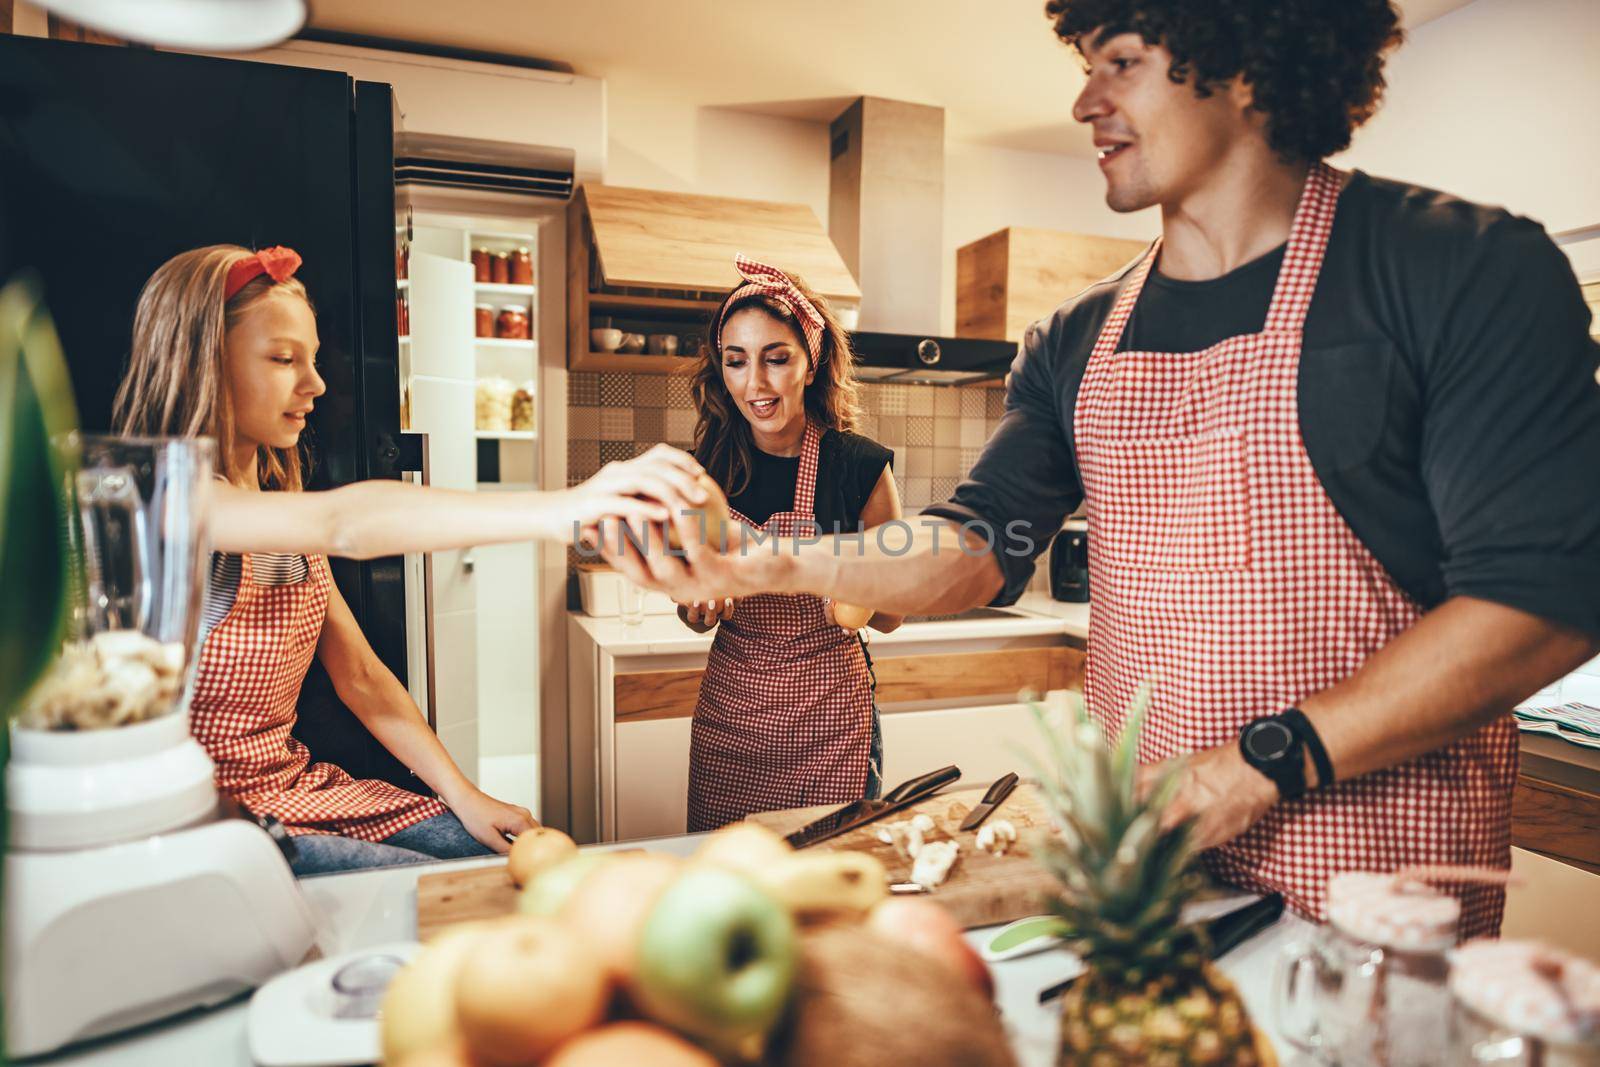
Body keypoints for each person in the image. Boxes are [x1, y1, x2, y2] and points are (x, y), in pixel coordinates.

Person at [597, 2, 1600, 936]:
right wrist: (767, 565)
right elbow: (976, 543)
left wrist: (1259, 764)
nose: (1083, 103)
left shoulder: (1457, 271)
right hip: (1150, 866)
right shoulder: (1079, 336)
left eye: (1118, 63)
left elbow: (1543, 597)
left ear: (1245, 61)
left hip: (1379, 880)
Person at [113, 243, 703, 875]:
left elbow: (363, 680)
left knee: (495, 856)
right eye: (284, 359)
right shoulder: (168, 505)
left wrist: (466, 797)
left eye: (311, 359)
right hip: (210, 824)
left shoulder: (280, 507)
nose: (315, 384)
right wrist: (564, 508)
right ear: (204, 363)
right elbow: (345, 523)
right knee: (438, 890)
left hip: (296, 792)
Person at [672, 256, 902, 830]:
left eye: (777, 359)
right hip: (733, 719)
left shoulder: (860, 468)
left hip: (834, 724)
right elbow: (692, 605)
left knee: (832, 882)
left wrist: (852, 586)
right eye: (737, 361)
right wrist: (700, 608)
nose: (756, 384)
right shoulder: (706, 473)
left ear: (810, 361)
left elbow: (894, 613)